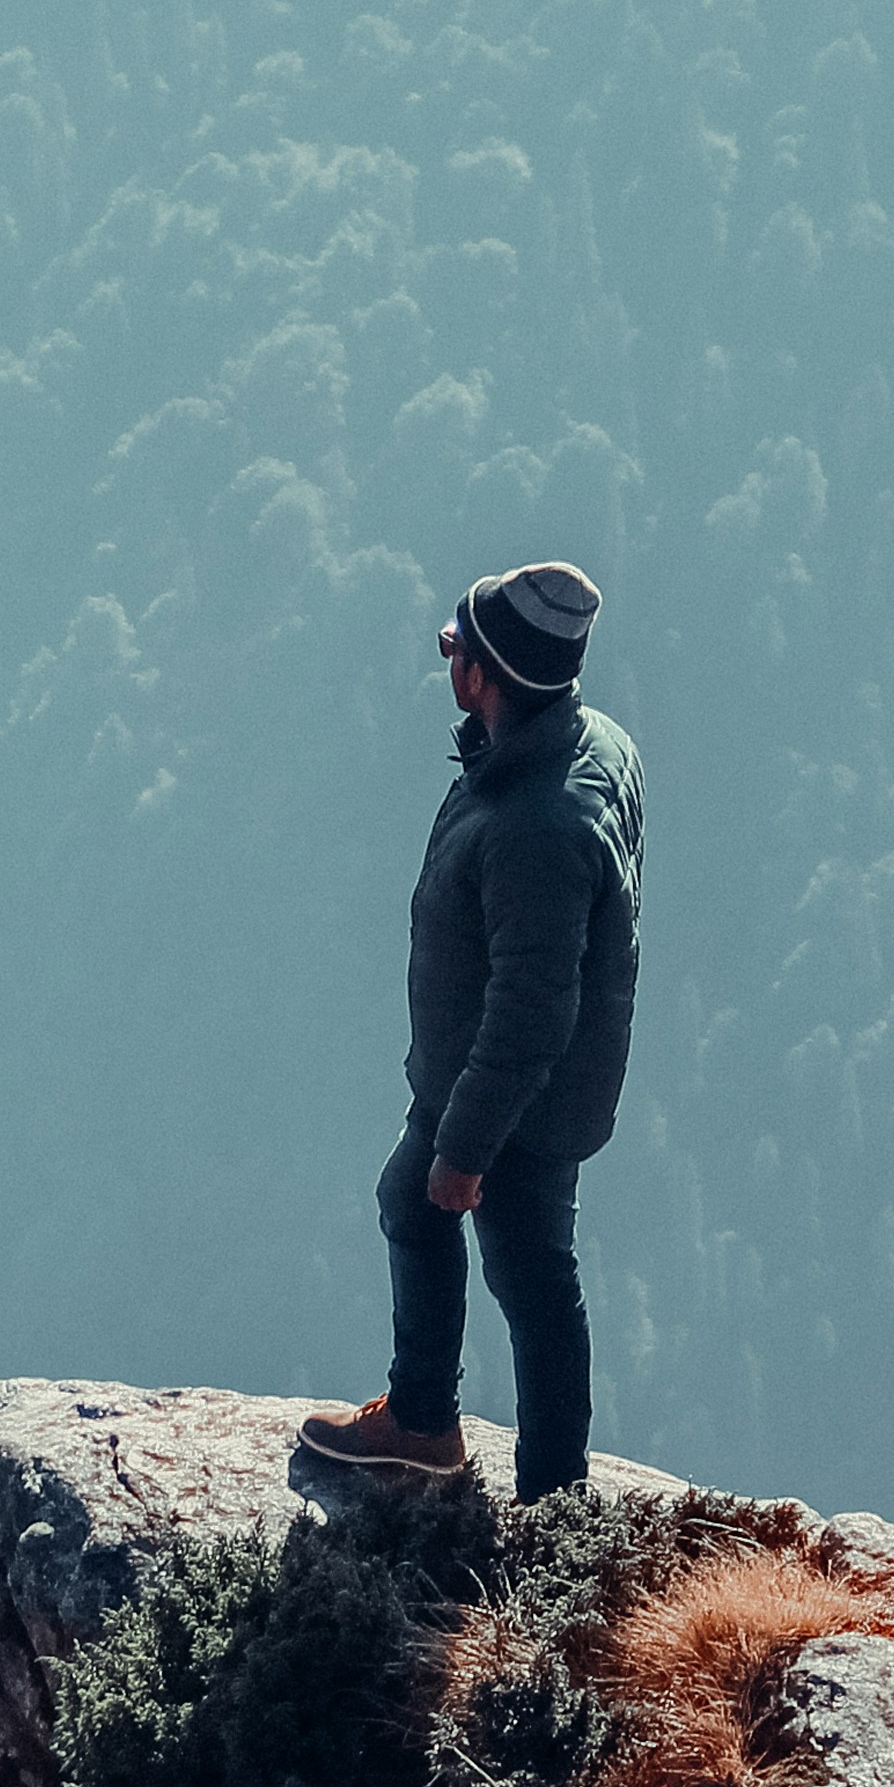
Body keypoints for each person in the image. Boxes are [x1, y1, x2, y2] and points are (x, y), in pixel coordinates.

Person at [303, 562, 642, 1495]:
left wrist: (465, 1146)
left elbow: (534, 1011)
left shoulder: (533, 823)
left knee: (527, 1282)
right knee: (431, 1219)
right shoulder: (578, 745)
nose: (446, 656)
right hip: (505, 1080)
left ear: (486, 676)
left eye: (455, 646)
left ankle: (545, 1496)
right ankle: (432, 1426)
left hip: (510, 1097)